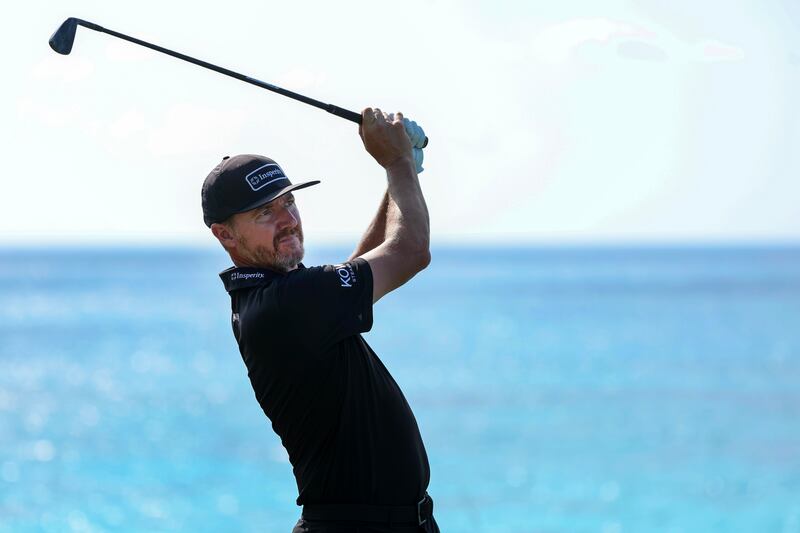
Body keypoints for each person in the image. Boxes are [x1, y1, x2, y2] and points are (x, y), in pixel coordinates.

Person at [201, 108, 440, 533]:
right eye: (264, 213)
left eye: (289, 202)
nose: (288, 220)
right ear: (225, 234)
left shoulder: (279, 295)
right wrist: (397, 162)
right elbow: (410, 251)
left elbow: (359, 268)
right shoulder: (287, 303)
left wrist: (402, 175)